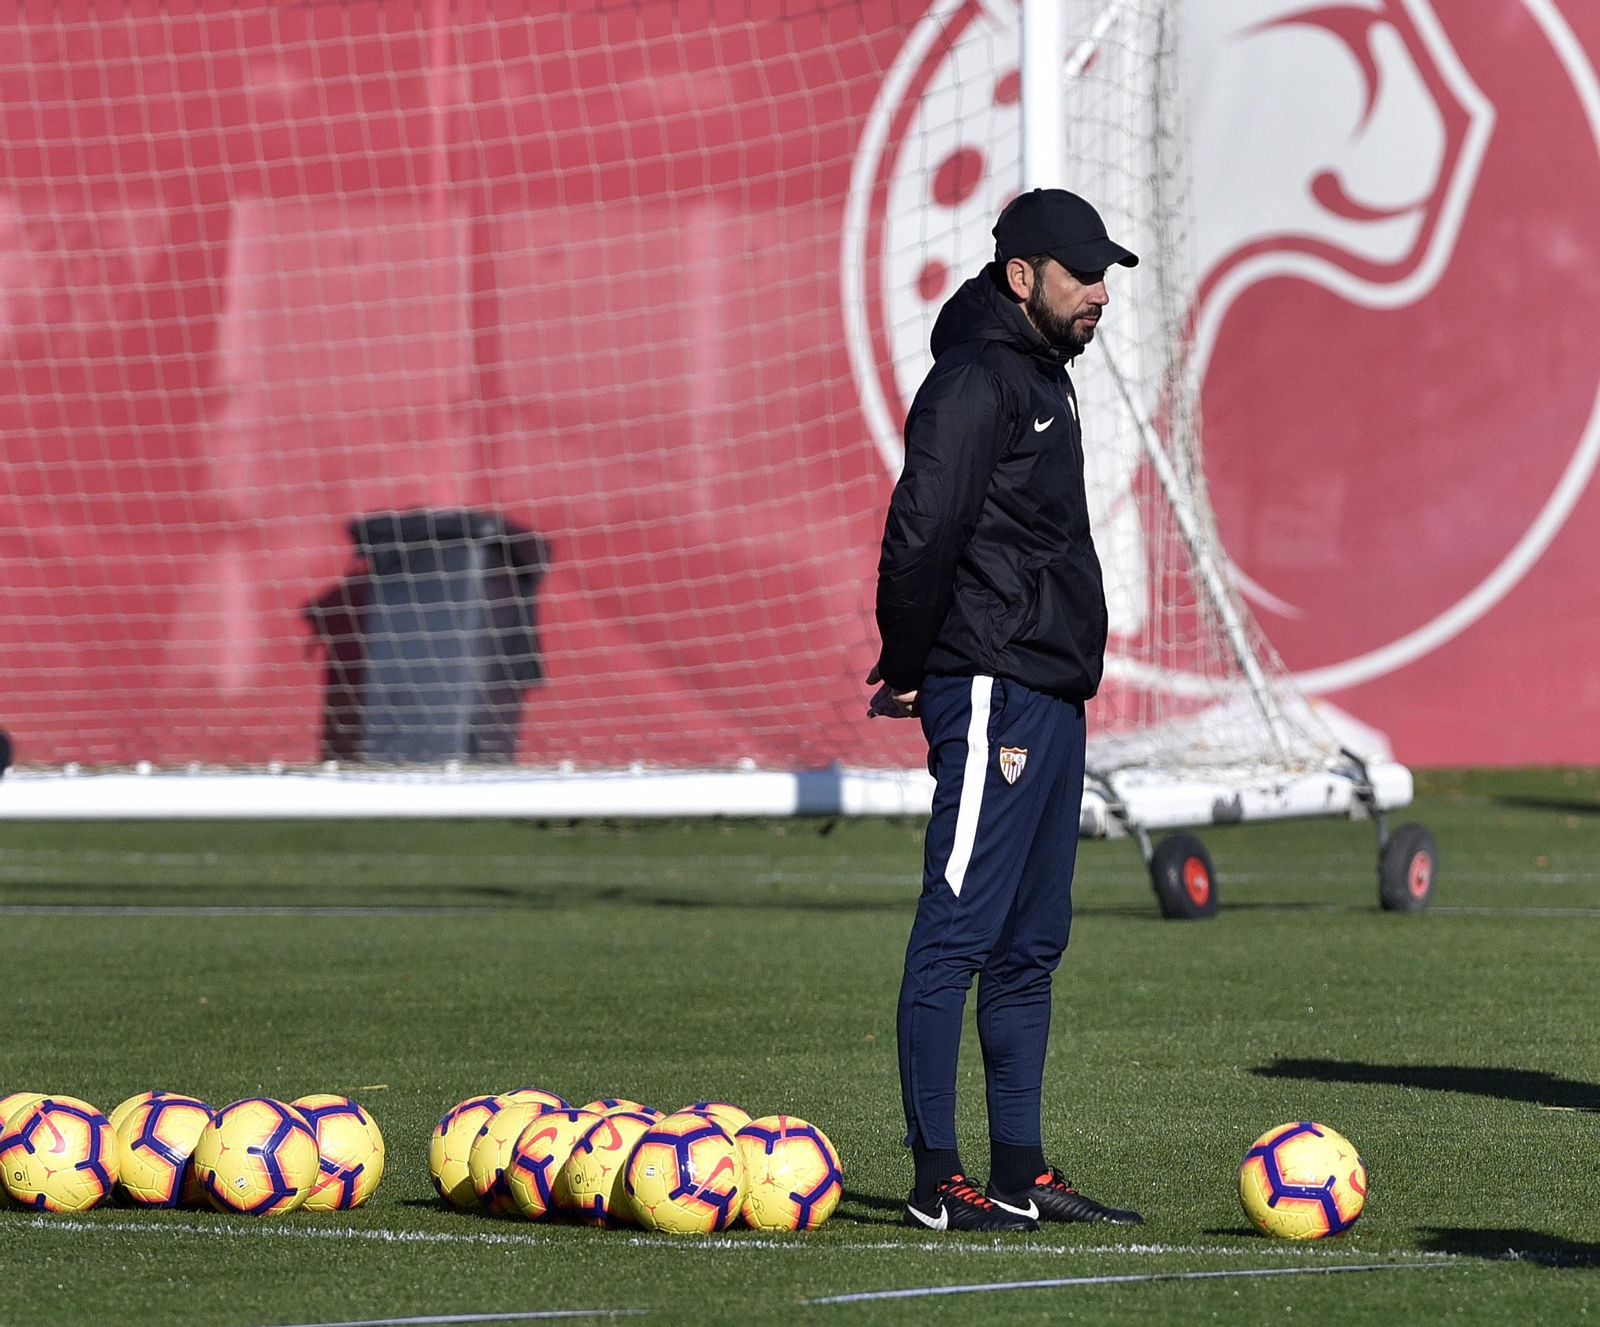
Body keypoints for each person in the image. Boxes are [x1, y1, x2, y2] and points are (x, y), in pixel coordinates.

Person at [868, 188, 1146, 1233]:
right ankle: (936, 1178)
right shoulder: (978, 376)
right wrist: (909, 660)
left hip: (1050, 685)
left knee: (1032, 941)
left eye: (1106, 274)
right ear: (1021, 275)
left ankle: (1020, 1167)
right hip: (990, 683)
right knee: (958, 927)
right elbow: (921, 529)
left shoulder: (1042, 375)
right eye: (1081, 275)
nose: (1099, 294)